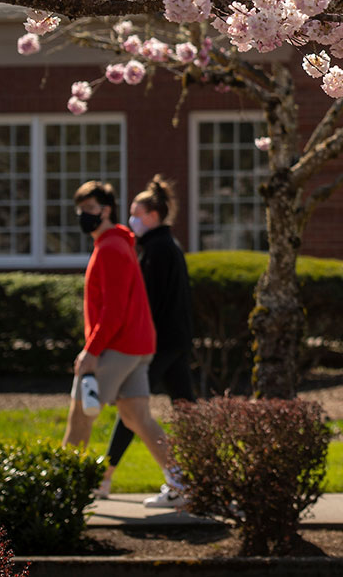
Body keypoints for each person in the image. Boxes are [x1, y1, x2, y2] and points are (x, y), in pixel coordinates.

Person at [64, 180, 186, 509]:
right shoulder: (119, 244)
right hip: (138, 346)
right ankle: (183, 483)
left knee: (80, 415)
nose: (83, 215)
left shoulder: (111, 249)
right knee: (137, 417)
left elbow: (114, 310)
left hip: (118, 346)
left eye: (89, 209)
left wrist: (91, 350)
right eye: (80, 209)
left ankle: (64, 493)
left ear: (105, 210)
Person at [93, 175, 197, 501]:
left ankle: (104, 477)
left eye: (136, 213)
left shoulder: (155, 250)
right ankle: (200, 478)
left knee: (132, 410)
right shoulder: (169, 246)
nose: (132, 219)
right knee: (187, 411)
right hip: (176, 341)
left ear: (152, 215)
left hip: (157, 344)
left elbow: (145, 302)